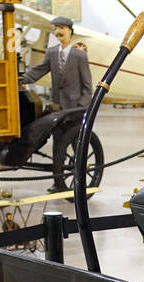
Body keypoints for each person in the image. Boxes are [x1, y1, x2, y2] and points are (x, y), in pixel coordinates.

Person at [21, 15, 93, 193]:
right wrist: (20, 79)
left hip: (75, 109)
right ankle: (58, 182)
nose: (58, 31)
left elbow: (87, 84)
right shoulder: (52, 52)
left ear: (70, 30)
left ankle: (81, 180)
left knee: (78, 146)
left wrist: (83, 105)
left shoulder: (79, 55)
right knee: (58, 145)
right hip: (58, 108)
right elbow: (39, 71)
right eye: (55, 28)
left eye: (62, 28)